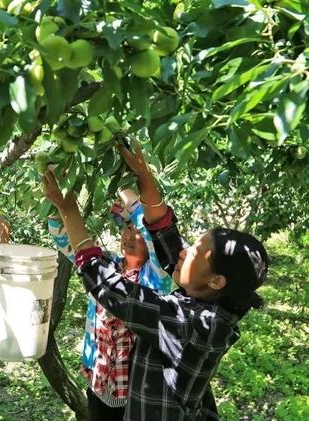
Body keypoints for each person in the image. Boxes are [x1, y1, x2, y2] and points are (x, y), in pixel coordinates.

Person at [41, 139, 269, 420]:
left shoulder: (195, 324)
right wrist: (143, 177)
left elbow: (112, 290)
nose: (185, 251)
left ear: (217, 281)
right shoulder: (206, 298)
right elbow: (167, 235)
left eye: (198, 252)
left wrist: (69, 209)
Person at [47, 189, 172, 420]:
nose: (131, 235)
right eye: (127, 228)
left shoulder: (157, 277)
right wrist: (59, 203)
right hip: (100, 382)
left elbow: (158, 240)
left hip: (137, 390)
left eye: (137, 231)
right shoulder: (106, 266)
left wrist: (129, 194)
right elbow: (63, 238)